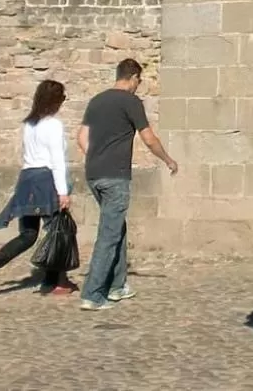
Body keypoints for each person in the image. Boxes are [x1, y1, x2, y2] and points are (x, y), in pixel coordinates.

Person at [76, 58, 178, 311]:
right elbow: (149, 139)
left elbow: (81, 137)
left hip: (94, 174)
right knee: (109, 235)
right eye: (138, 81)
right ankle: (93, 294)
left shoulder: (96, 101)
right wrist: (168, 160)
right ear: (133, 77)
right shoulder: (131, 102)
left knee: (116, 228)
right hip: (115, 176)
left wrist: (96, 158)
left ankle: (117, 285)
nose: (138, 85)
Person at [0, 79, 75, 296]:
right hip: (45, 180)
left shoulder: (29, 124)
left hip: (27, 179)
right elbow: (57, 160)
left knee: (28, 235)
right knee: (60, 230)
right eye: (62, 98)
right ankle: (55, 282)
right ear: (56, 101)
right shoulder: (53, 125)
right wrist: (62, 192)